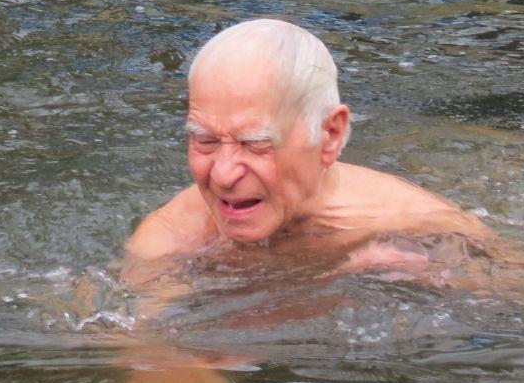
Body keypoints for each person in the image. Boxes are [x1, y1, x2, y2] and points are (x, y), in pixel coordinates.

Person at [125, 18, 501, 278]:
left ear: (330, 135)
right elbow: (148, 362)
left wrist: (437, 281)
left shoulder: (414, 223)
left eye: (255, 144)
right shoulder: (173, 236)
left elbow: (523, 296)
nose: (222, 174)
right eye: (204, 140)